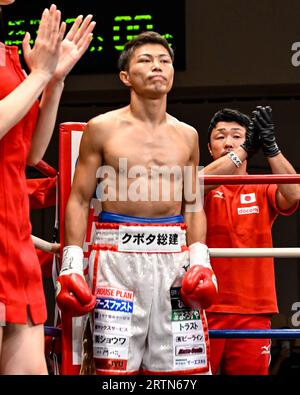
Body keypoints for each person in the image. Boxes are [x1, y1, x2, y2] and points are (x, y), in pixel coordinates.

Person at [56, 31, 218, 375]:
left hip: (174, 261)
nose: (157, 66)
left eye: (165, 60)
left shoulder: (187, 135)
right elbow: (79, 198)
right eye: (146, 60)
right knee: (114, 373)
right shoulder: (101, 128)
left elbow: (193, 204)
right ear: (125, 76)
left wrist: (201, 259)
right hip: (115, 260)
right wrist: (71, 264)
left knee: (180, 373)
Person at [0, 1, 95, 374]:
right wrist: (39, 75)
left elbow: (31, 152)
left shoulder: (9, 56)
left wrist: (53, 80)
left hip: (14, 241)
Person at [203, 107, 300, 375]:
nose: (228, 142)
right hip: (202, 307)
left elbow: (293, 194)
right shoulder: (200, 184)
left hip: (252, 310)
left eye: (237, 136)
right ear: (209, 147)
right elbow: (193, 185)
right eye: (220, 137)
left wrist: (271, 148)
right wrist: (244, 149)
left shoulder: (260, 185)